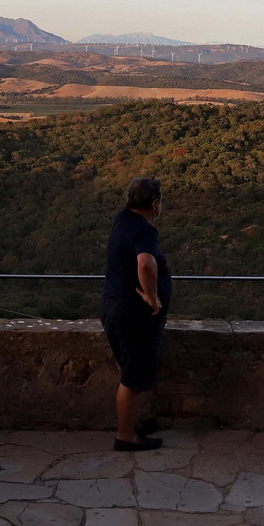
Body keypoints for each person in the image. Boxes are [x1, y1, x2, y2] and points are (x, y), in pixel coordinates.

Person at [100, 176, 172, 451]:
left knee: (131, 370)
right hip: (133, 313)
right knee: (132, 378)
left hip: (113, 306)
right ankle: (126, 436)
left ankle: (133, 424)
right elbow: (145, 263)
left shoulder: (123, 219)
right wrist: (153, 300)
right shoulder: (144, 230)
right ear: (154, 204)